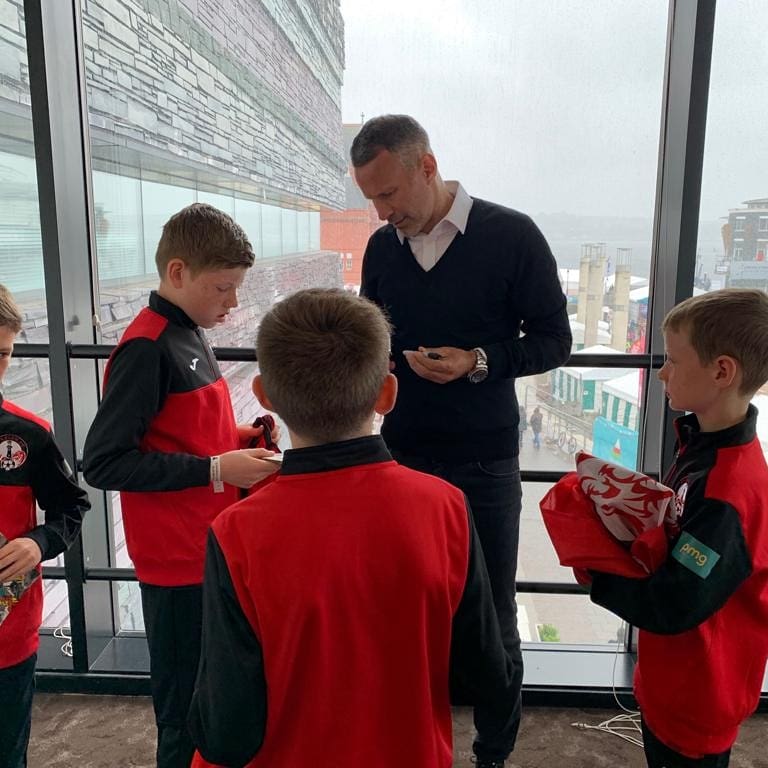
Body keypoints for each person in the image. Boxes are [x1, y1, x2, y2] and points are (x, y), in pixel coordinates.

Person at [187, 288, 518, 768]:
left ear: (264, 396)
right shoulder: (445, 508)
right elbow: (483, 676)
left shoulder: (235, 532)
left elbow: (225, 732)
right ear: (387, 394)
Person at [352, 114, 572, 766]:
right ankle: (415, 746)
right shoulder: (381, 249)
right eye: (371, 198)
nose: (382, 212)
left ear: (427, 166)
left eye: (389, 193)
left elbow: (554, 341)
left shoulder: (513, 235)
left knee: (493, 616)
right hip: (400, 457)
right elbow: (371, 340)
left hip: (485, 460)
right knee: (404, 611)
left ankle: (492, 756)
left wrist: (478, 362)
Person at [83, 204, 279, 768]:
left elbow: (182, 433)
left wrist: (238, 440)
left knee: (213, 695)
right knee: (183, 710)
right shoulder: (147, 348)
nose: (233, 302)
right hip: (175, 565)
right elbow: (103, 463)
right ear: (177, 272)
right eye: (223, 287)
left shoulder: (189, 331)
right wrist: (217, 469)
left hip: (209, 546)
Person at [583, 288, 768, 768]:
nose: (662, 372)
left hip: (699, 694)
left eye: (673, 360)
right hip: (672, 678)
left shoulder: (730, 490)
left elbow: (675, 603)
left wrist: (596, 573)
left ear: (722, 372)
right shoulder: (701, 446)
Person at [0, 283, 89, 768]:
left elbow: (71, 507)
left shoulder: (28, 434)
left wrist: (38, 543)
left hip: (8, 635)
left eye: (3, 354)